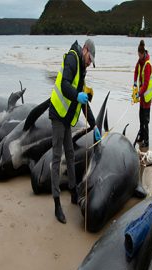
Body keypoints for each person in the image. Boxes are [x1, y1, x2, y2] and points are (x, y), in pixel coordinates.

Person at [48, 38, 100, 224]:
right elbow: (64, 85)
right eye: (89, 58)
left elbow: (83, 102)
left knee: (70, 154)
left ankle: (72, 192)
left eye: (91, 61)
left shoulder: (82, 69)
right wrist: (77, 94)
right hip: (57, 115)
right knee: (56, 158)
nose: (89, 62)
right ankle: (56, 204)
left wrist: (93, 126)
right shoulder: (72, 58)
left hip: (67, 118)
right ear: (84, 49)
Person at [133, 39, 152, 148]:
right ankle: (141, 136)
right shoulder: (139, 62)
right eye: (138, 55)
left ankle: (147, 140)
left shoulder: (147, 64)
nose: (138, 56)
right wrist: (135, 83)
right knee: (140, 117)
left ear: (143, 53)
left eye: (139, 55)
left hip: (147, 97)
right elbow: (136, 71)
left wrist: (138, 94)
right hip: (141, 95)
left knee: (145, 120)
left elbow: (145, 85)